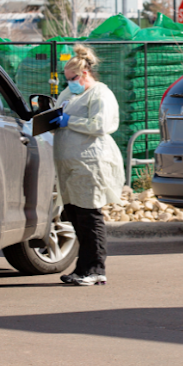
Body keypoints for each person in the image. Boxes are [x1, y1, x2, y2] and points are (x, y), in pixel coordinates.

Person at [50, 44, 125, 286]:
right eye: (67, 78)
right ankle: (82, 267)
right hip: (69, 163)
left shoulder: (100, 94)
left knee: (89, 215)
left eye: (72, 78)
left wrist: (70, 121)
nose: (69, 82)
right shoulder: (70, 94)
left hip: (90, 162)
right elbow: (59, 114)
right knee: (75, 215)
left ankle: (96, 268)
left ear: (84, 74)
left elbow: (101, 124)